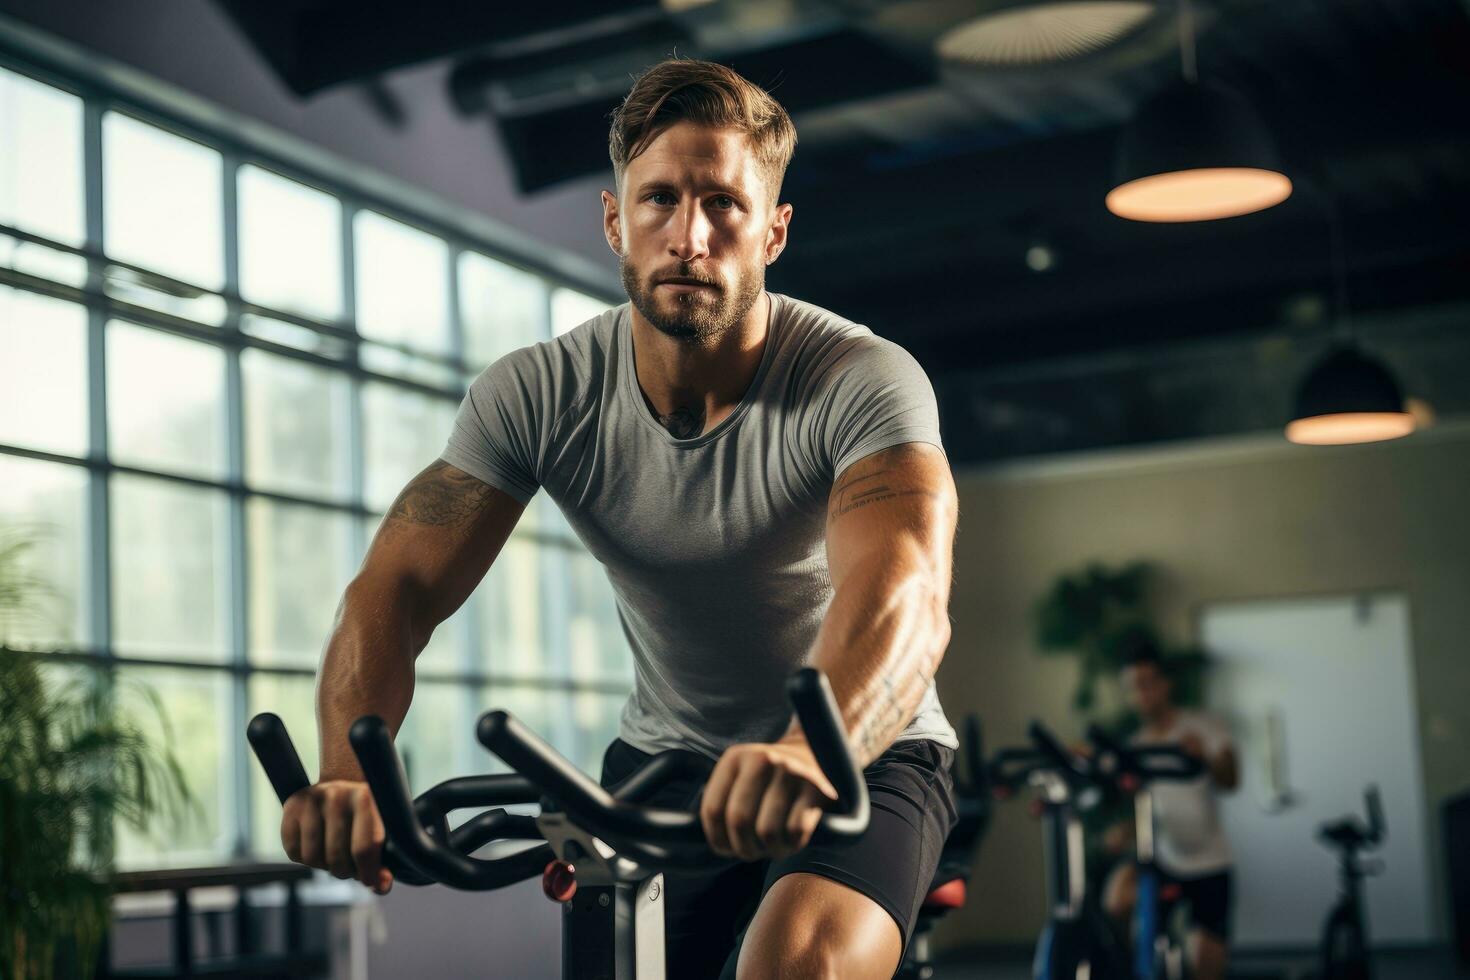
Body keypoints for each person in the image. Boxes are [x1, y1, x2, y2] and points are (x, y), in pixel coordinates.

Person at [278, 57, 962, 980]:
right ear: (614, 220)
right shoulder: (540, 393)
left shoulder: (861, 379)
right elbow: (396, 588)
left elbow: (904, 592)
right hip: (669, 756)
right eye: (660, 200)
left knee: (793, 966)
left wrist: (810, 751)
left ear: (773, 234)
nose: (690, 235)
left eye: (725, 204)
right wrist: (347, 777)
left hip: (861, 750)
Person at [1102, 645, 1239, 980]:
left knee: (1203, 962)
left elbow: (1231, 779)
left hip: (1209, 862)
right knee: (1117, 898)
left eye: (1148, 683)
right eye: (1134, 687)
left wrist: (1204, 756)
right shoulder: (1136, 745)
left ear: (1165, 685)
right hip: (1163, 858)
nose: (1142, 694)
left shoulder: (1204, 726)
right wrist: (1126, 831)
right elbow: (1143, 807)